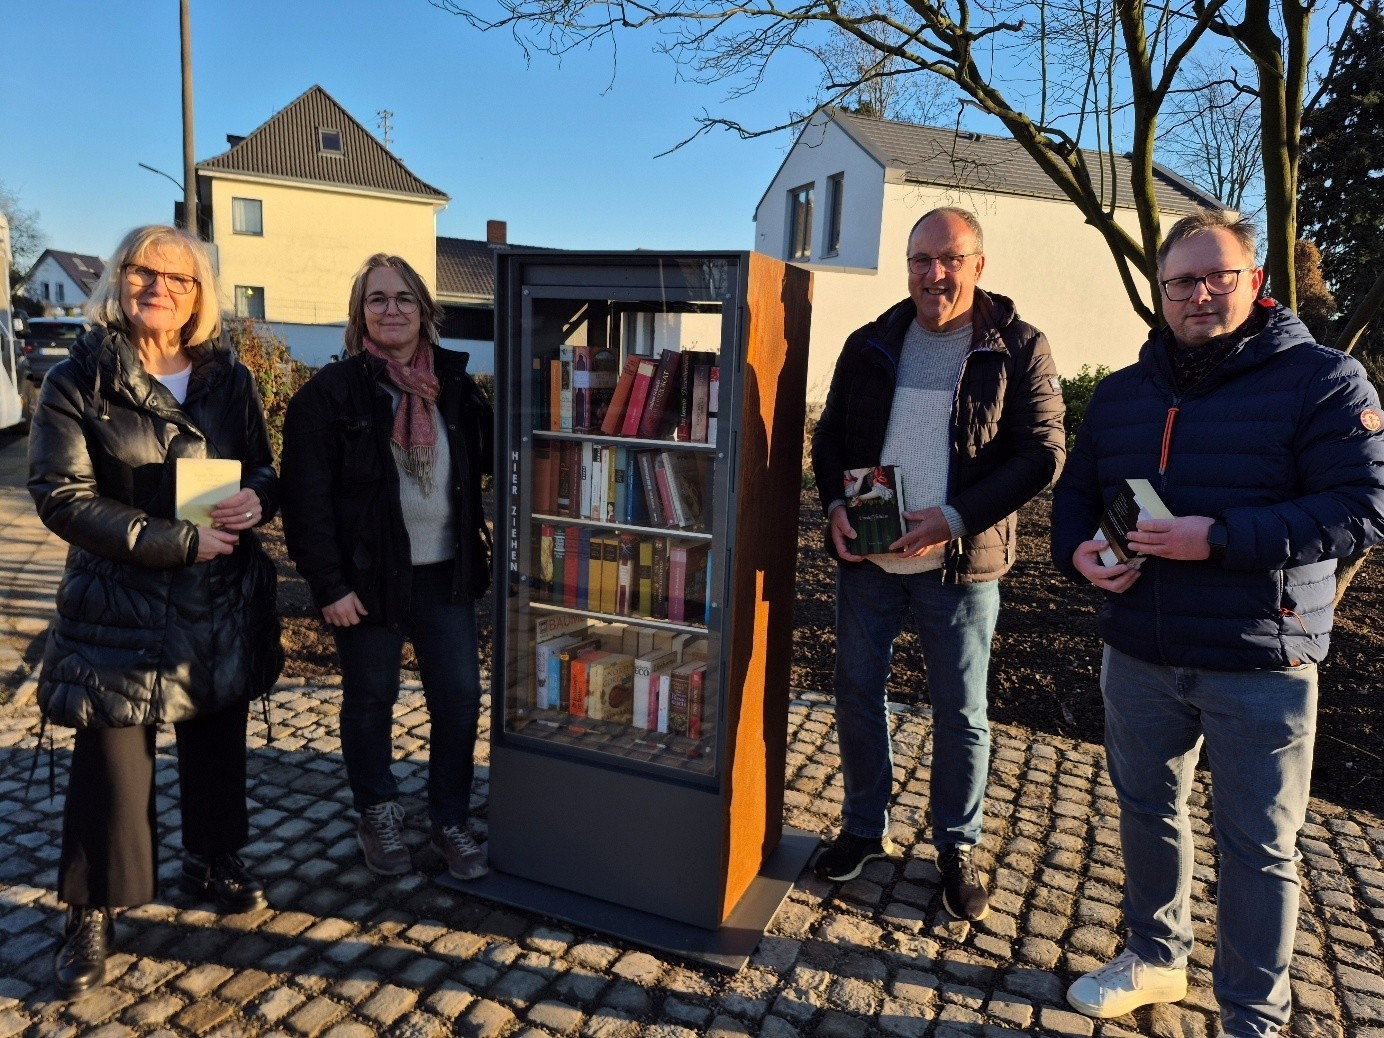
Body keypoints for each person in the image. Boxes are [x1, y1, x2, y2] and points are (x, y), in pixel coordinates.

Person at [1051, 209, 1384, 1037]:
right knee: (1146, 811)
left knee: (1260, 849)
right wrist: (1079, 555)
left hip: (1259, 657)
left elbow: (1362, 507)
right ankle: (1156, 956)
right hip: (1139, 649)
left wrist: (1222, 539)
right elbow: (1075, 496)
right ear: (1160, 294)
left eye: (1217, 276)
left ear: (1254, 280)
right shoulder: (1126, 392)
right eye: (1181, 282)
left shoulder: (1324, 380)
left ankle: (1251, 1016)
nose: (1199, 294)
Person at [28, 225, 282, 998]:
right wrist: (173, 541)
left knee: (215, 741)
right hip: (120, 600)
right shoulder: (78, 378)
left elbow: (265, 467)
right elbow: (60, 496)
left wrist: (255, 499)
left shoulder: (227, 377)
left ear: (199, 294)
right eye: (143, 271)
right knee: (112, 761)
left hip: (216, 595)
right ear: (120, 278)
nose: (157, 287)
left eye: (177, 278)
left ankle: (213, 856)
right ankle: (92, 907)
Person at [809, 206, 1066, 919]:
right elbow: (829, 438)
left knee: (961, 713)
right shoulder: (871, 342)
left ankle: (956, 843)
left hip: (959, 568)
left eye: (950, 259)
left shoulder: (1017, 347)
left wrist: (951, 520)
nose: (935, 274)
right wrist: (834, 504)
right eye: (921, 260)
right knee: (856, 692)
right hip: (868, 564)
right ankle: (864, 828)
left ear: (979, 265)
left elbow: (1042, 453)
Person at [280, 253, 493, 883]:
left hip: (444, 573)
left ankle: (449, 817)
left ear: (425, 309)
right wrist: (330, 586)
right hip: (366, 580)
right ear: (360, 315)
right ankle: (377, 812)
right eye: (377, 299)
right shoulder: (329, 395)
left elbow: (491, 460)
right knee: (371, 700)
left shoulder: (455, 385)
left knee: (458, 698)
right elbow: (305, 502)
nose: (392, 308)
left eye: (403, 297)